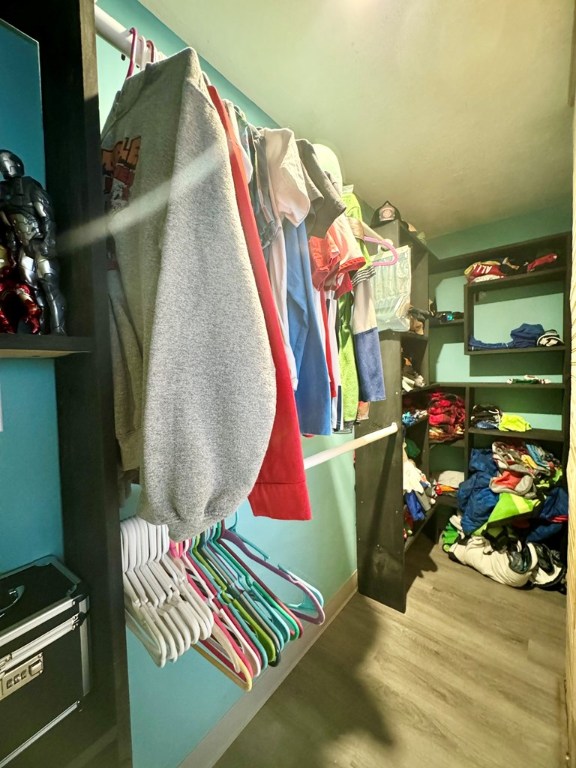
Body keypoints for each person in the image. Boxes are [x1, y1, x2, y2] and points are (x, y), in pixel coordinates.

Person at [0, 149, 66, 334]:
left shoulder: (31, 189)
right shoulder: (6, 196)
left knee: (50, 286)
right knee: (34, 289)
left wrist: (48, 242)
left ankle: (58, 329)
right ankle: (43, 326)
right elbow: (10, 227)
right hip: (25, 247)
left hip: (39, 243)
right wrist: (13, 248)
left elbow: (48, 218)